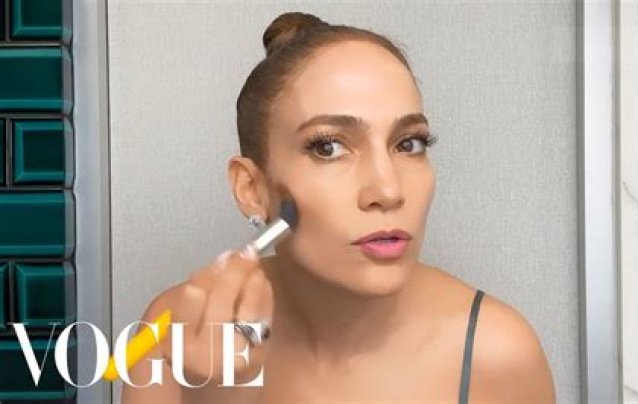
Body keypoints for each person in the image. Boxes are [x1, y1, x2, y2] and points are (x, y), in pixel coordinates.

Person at [122, 11, 555, 403]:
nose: (388, 190)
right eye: (328, 147)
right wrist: (220, 396)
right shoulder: (165, 335)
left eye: (409, 144)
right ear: (251, 188)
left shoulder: (498, 353)